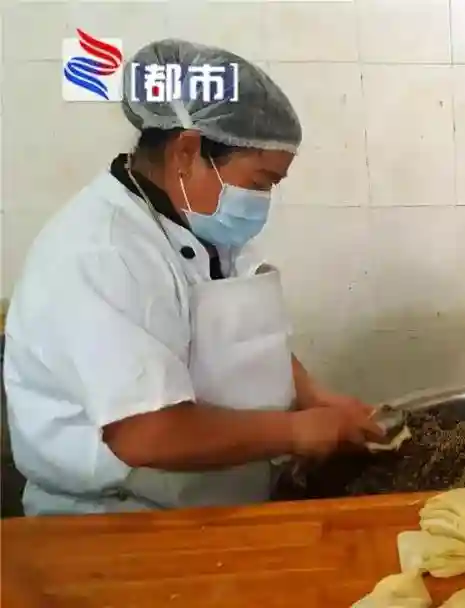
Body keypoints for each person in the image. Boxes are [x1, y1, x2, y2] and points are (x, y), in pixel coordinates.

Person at [2, 39, 384, 515]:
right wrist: (297, 431)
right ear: (186, 152)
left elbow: (238, 343)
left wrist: (318, 398)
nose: (263, 200)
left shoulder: (197, 222)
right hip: (119, 520)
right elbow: (146, 433)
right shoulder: (101, 252)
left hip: (219, 500)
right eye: (260, 182)